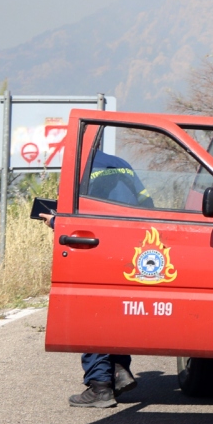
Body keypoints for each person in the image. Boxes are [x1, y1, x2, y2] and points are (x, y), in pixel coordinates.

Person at [66, 149, 151, 408]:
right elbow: (147, 203)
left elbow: (79, 213)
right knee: (117, 312)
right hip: (130, 247)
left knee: (93, 314)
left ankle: (100, 386)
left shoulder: (81, 168)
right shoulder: (121, 163)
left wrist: (54, 221)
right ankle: (118, 370)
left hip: (98, 248)